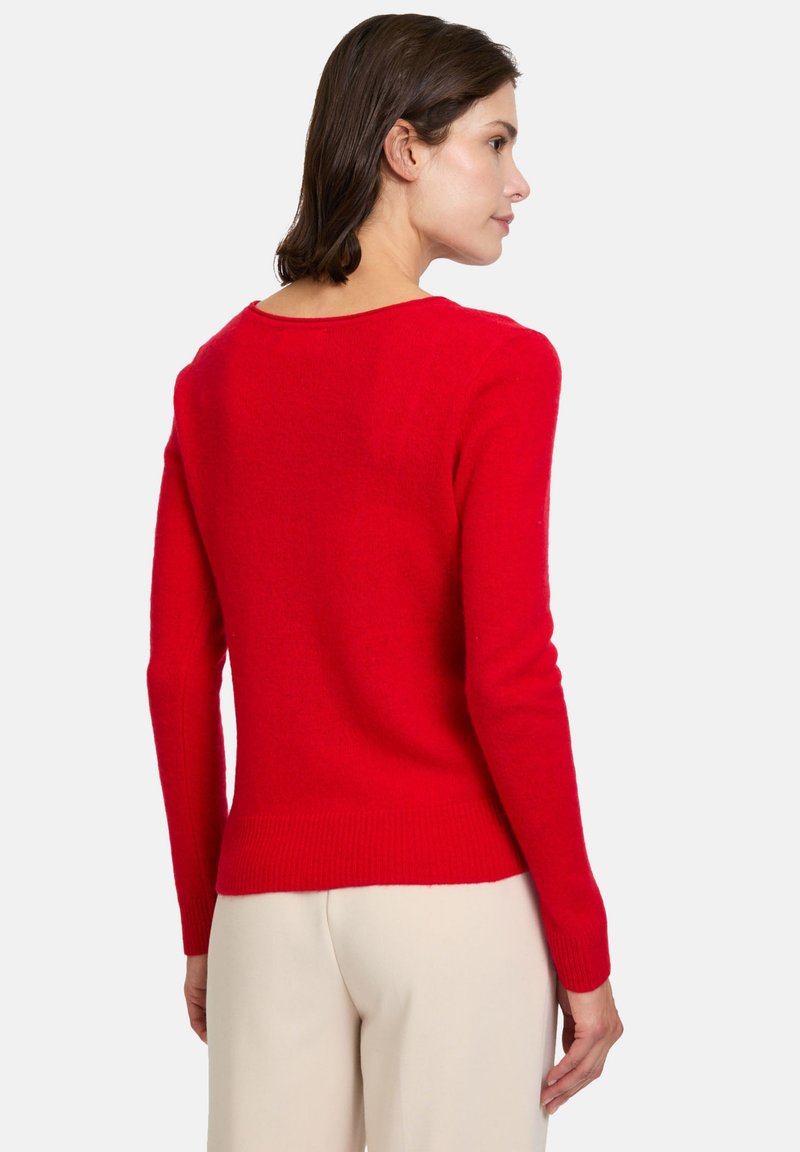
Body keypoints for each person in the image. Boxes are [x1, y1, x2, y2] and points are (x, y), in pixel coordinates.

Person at [146, 12, 623, 1152]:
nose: (518, 182)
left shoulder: (212, 382)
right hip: (455, 904)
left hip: (262, 910)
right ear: (405, 147)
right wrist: (583, 947)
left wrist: (205, 926)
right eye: (494, 143)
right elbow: (508, 676)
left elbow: (177, 679)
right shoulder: (497, 368)